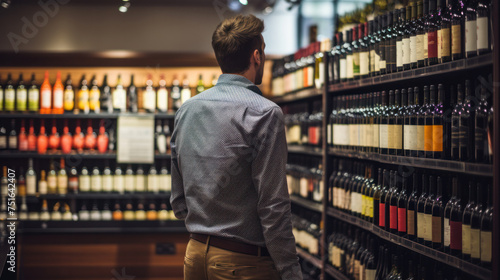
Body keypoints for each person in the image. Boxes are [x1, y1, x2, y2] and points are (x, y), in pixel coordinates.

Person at [170, 14, 302, 280]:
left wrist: (208, 222)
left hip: (194, 255)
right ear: (256, 56)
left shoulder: (187, 109)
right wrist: (290, 271)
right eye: (263, 51)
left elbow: (178, 201)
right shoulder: (265, 113)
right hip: (242, 263)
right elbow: (273, 206)